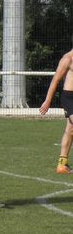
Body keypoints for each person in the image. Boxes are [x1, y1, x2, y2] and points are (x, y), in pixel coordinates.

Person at [39, 41, 73, 174]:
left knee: (70, 130)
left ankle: (62, 165)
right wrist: (47, 101)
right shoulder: (67, 59)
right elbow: (55, 80)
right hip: (69, 98)